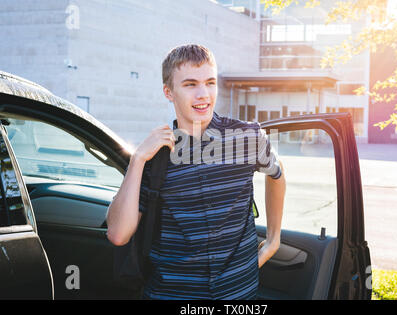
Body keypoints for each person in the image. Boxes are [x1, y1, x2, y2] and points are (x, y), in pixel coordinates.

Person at [106, 44, 286, 300]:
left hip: (239, 293)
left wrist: (273, 239)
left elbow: (277, 175)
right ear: (168, 92)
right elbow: (118, 235)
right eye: (190, 84)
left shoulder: (248, 136)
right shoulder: (155, 155)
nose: (203, 94)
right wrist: (136, 160)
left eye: (210, 82)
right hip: (172, 294)